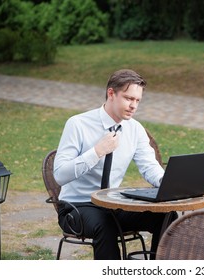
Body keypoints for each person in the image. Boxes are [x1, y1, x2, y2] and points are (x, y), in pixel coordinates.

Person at [53, 69, 174, 259]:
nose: (133, 105)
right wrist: (97, 151)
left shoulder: (135, 129)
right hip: (76, 207)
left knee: (167, 217)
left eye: (137, 100)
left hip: (112, 205)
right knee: (104, 223)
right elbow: (60, 174)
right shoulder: (77, 124)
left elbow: (149, 166)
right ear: (111, 93)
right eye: (128, 98)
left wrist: (168, 183)